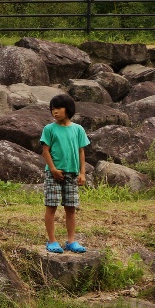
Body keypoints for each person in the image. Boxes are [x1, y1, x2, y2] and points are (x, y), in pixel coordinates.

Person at [40, 94, 89, 254]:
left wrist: (82, 173)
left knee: (71, 208)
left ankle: (71, 241)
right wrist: (53, 169)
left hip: (72, 173)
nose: (55, 112)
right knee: (51, 206)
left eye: (58, 108)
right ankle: (52, 241)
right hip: (53, 174)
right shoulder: (49, 129)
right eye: (52, 109)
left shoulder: (78, 129)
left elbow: (82, 151)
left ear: (68, 109)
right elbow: (45, 151)